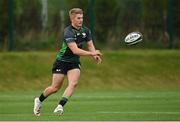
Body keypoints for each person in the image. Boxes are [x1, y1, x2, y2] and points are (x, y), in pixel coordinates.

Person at [33, 8, 102, 116]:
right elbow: (75, 50)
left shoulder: (86, 31)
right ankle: (39, 100)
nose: (81, 20)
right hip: (62, 61)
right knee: (55, 88)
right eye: (78, 18)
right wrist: (91, 54)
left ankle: (60, 106)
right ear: (72, 19)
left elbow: (90, 44)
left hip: (74, 61)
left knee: (73, 83)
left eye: (82, 18)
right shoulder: (68, 32)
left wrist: (95, 54)